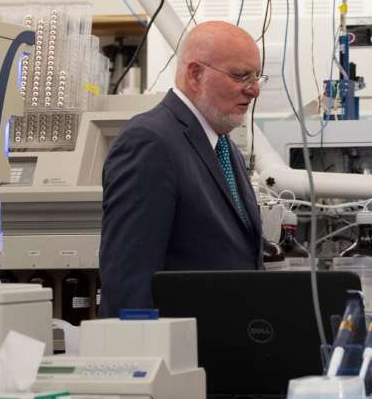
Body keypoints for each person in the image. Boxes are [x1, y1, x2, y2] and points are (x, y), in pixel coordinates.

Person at [99, 21, 265, 316]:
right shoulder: (150, 143)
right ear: (195, 74)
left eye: (256, 77)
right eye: (240, 76)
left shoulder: (224, 148)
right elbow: (128, 281)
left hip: (226, 350)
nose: (254, 91)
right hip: (177, 354)